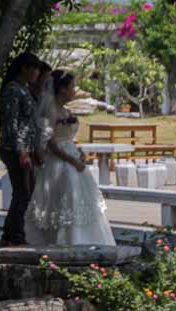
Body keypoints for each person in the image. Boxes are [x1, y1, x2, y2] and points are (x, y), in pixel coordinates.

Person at [25, 69, 115, 246]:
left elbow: (67, 138)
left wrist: (78, 152)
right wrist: (72, 160)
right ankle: (64, 240)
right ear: (63, 89)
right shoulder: (50, 111)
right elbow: (51, 143)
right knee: (65, 200)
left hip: (73, 158)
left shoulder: (66, 110)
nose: (75, 89)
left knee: (80, 200)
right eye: (72, 86)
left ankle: (85, 240)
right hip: (60, 163)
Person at [0, 53, 47, 246]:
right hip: (15, 149)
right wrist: (21, 151)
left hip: (26, 149)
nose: (36, 73)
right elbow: (11, 122)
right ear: (24, 68)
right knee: (22, 192)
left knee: (26, 192)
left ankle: (11, 234)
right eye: (34, 69)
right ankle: (14, 235)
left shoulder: (24, 90)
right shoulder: (12, 90)